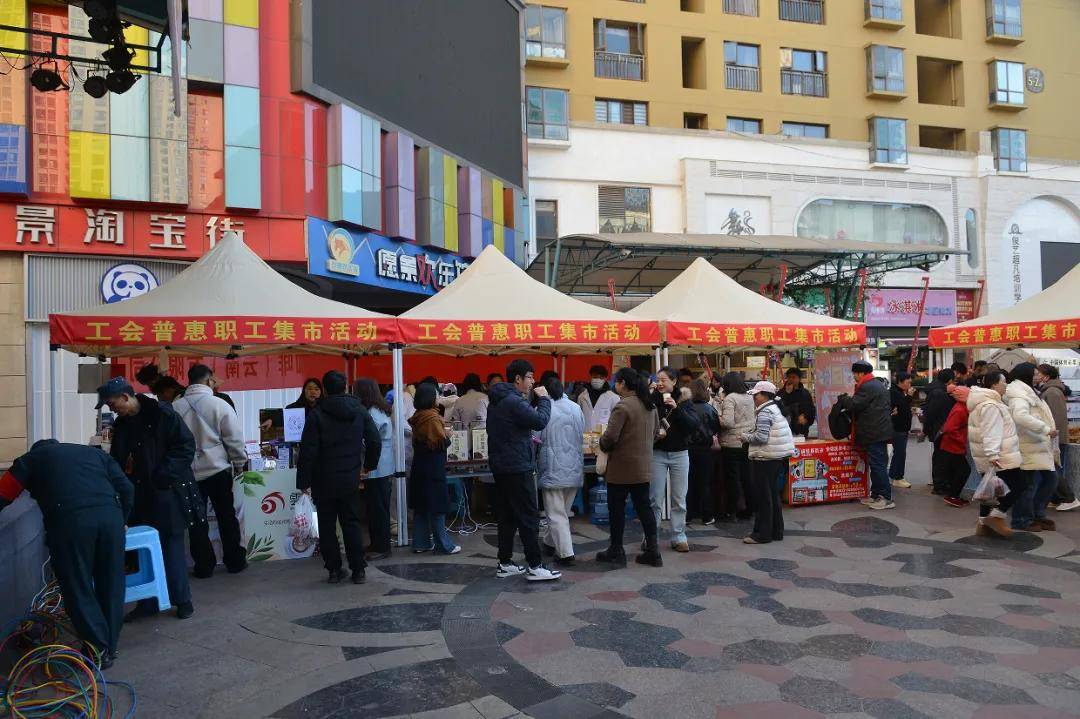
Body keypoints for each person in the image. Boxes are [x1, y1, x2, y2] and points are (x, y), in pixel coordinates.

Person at [0, 441, 133, 668]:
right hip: (111, 520)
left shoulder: (32, 459)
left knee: (77, 585)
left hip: (71, 522)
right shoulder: (93, 454)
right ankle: (109, 646)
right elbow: (127, 488)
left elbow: (4, 493)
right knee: (111, 583)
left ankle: (98, 648)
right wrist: (123, 520)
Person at [101, 377, 201, 622]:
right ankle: (147, 603)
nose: (112, 409)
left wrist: (163, 475)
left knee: (171, 547)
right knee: (141, 552)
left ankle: (182, 600)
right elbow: (117, 459)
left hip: (167, 492)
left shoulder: (162, 414)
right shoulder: (122, 424)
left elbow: (185, 446)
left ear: (125, 397)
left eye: (113, 404)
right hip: (138, 495)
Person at [297, 371, 382, 584]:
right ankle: (358, 569)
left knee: (326, 526)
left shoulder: (316, 414)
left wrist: (303, 482)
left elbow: (308, 451)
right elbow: (374, 440)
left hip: (323, 478)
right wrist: (369, 465)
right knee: (351, 523)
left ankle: (334, 570)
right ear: (345, 387)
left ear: (324, 389)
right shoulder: (360, 410)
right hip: (350, 476)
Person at [172, 364, 248, 578]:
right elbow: (234, 438)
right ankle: (235, 561)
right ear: (208, 380)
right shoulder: (220, 405)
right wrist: (239, 463)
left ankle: (204, 566)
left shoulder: (175, 408)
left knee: (196, 521)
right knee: (226, 516)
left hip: (188, 474)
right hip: (218, 470)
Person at [486, 360, 560, 581]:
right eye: (529, 377)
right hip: (517, 466)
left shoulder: (497, 399)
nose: (533, 382)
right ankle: (535, 565)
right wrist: (544, 399)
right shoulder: (514, 401)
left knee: (507, 516)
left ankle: (505, 562)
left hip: (502, 465)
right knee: (528, 517)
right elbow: (539, 421)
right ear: (517, 378)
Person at [597, 367, 661, 567]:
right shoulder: (650, 405)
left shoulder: (622, 407)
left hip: (621, 468)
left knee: (616, 510)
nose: (615, 385)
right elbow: (656, 433)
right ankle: (653, 551)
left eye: (616, 381)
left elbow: (610, 437)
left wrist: (601, 442)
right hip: (643, 467)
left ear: (622, 383)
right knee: (645, 508)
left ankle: (617, 550)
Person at [967, 370, 1025, 538]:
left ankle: (982, 524)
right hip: (1000, 456)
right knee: (1020, 485)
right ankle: (997, 516)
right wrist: (993, 455)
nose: (1006, 384)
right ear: (993, 385)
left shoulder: (984, 403)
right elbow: (991, 431)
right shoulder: (990, 405)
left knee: (989, 492)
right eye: (1003, 381)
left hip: (992, 455)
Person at [651, 366, 701, 553]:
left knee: (679, 498)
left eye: (664, 380)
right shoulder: (651, 400)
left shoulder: (684, 400)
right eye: (658, 380)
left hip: (680, 453)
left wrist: (676, 408)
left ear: (674, 381)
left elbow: (693, 425)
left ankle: (679, 536)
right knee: (655, 498)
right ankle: (651, 536)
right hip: (657, 453)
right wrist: (656, 432)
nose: (660, 383)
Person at [536, 376, 585, 566]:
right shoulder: (576, 407)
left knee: (556, 514)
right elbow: (582, 432)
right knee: (562, 511)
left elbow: (535, 437)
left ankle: (566, 553)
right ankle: (549, 543)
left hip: (552, 468)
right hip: (574, 467)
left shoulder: (542, 409)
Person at [1005, 362, 1059, 532]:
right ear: (1026, 375)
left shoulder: (1029, 391)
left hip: (1037, 444)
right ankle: (1021, 520)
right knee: (1028, 485)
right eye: (1035, 374)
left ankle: (1036, 514)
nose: (1038, 377)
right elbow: (1020, 416)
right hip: (1027, 445)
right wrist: (1045, 429)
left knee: (1050, 480)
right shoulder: (1019, 394)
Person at [408, 383, 460, 555]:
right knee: (437, 505)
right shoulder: (432, 417)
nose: (438, 397)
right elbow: (439, 444)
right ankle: (444, 545)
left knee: (421, 505)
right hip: (433, 466)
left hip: (419, 464)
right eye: (436, 395)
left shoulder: (418, 415)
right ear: (430, 398)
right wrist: (448, 435)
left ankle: (420, 543)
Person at [741, 381, 796, 545]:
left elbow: (761, 437)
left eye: (756, 395)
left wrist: (745, 437)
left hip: (765, 458)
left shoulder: (765, 412)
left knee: (763, 497)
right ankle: (776, 531)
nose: (754, 398)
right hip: (775, 458)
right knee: (772, 495)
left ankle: (762, 534)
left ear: (765, 395)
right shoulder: (775, 408)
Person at [840, 361, 894, 510]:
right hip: (878, 431)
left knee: (877, 465)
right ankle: (876, 495)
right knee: (877, 464)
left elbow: (854, 404)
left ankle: (886, 498)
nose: (854, 377)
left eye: (855, 374)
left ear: (860, 373)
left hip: (874, 432)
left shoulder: (867, 386)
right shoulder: (877, 384)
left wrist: (844, 399)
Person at [354, 378, 395, 560]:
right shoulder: (379, 409)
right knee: (376, 507)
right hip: (382, 465)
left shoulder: (371, 413)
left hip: (377, 467)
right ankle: (377, 544)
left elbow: (370, 440)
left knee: (378, 509)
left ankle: (382, 547)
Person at [1036, 364, 1078, 512]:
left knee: (1053, 469)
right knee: (1050, 468)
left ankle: (1068, 498)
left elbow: (1056, 418)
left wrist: (1052, 436)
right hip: (1053, 436)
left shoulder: (1052, 391)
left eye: (1039, 373)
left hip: (1054, 438)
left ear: (1046, 377)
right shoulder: (1050, 390)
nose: (1036, 376)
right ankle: (1056, 499)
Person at [717, 372, 755, 521]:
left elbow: (727, 422)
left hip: (731, 444)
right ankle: (749, 509)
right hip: (747, 442)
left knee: (732, 479)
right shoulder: (749, 397)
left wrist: (717, 416)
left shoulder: (730, 398)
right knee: (747, 477)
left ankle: (732, 511)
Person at [685, 378, 720, 526]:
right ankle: (707, 515)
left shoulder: (685, 408)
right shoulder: (710, 409)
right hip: (706, 450)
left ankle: (687, 515)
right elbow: (716, 428)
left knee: (688, 483)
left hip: (687, 449)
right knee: (705, 483)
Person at [922, 368, 957, 495]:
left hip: (938, 429)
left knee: (940, 456)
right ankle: (939, 485)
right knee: (941, 457)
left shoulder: (936, 390)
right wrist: (926, 430)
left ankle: (940, 483)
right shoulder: (939, 393)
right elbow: (931, 413)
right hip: (940, 430)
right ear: (950, 380)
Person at [939, 385, 972, 507]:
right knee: (964, 470)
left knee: (958, 471)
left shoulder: (961, 407)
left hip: (952, 445)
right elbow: (949, 428)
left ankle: (954, 495)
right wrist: (961, 440)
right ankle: (953, 495)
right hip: (953, 446)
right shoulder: (960, 410)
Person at [888, 372, 916, 488]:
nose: (910, 385)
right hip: (898, 428)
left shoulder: (899, 392)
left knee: (899, 453)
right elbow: (901, 406)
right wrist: (909, 396)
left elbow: (902, 408)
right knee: (900, 453)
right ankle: (897, 477)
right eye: (908, 382)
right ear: (900, 381)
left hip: (901, 427)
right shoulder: (894, 393)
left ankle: (893, 475)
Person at [578, 365, 621, 433]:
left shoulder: (614, 398)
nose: (597, 380)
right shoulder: (582, 397)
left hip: (604, 436)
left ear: (605, 378)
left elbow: (617, 420)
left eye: (601, 378)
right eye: (595, 377)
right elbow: (579, 418)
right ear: (590, 377)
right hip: (585, 435)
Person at [778, 368, 816, 438]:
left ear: (799, 379)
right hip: (784, 429)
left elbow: (811, 409)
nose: (791, 379)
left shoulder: (805, 393)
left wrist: (806, 417)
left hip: (801, 429)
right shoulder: (781, 392)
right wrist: (787, 393)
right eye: (789, 377)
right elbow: (778, 407)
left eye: (793, 377)